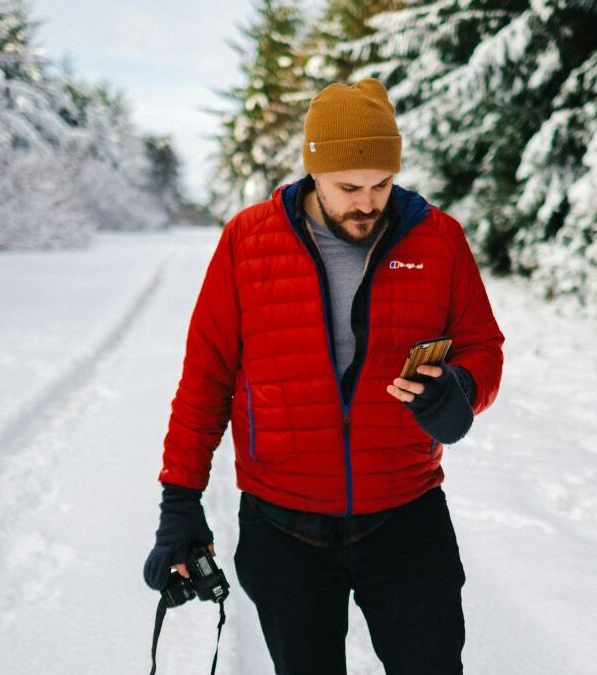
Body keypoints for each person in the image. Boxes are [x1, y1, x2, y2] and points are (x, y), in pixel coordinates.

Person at [144, 77, 504, 675]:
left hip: (405, 514)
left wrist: (458, 392)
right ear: (314, 172)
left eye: (381, 184)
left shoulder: (437, 239)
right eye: (348, 187)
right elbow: (206, 380)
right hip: (282, 525)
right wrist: (179, 503)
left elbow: (483, 347)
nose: (368, 202)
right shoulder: (248, 241)